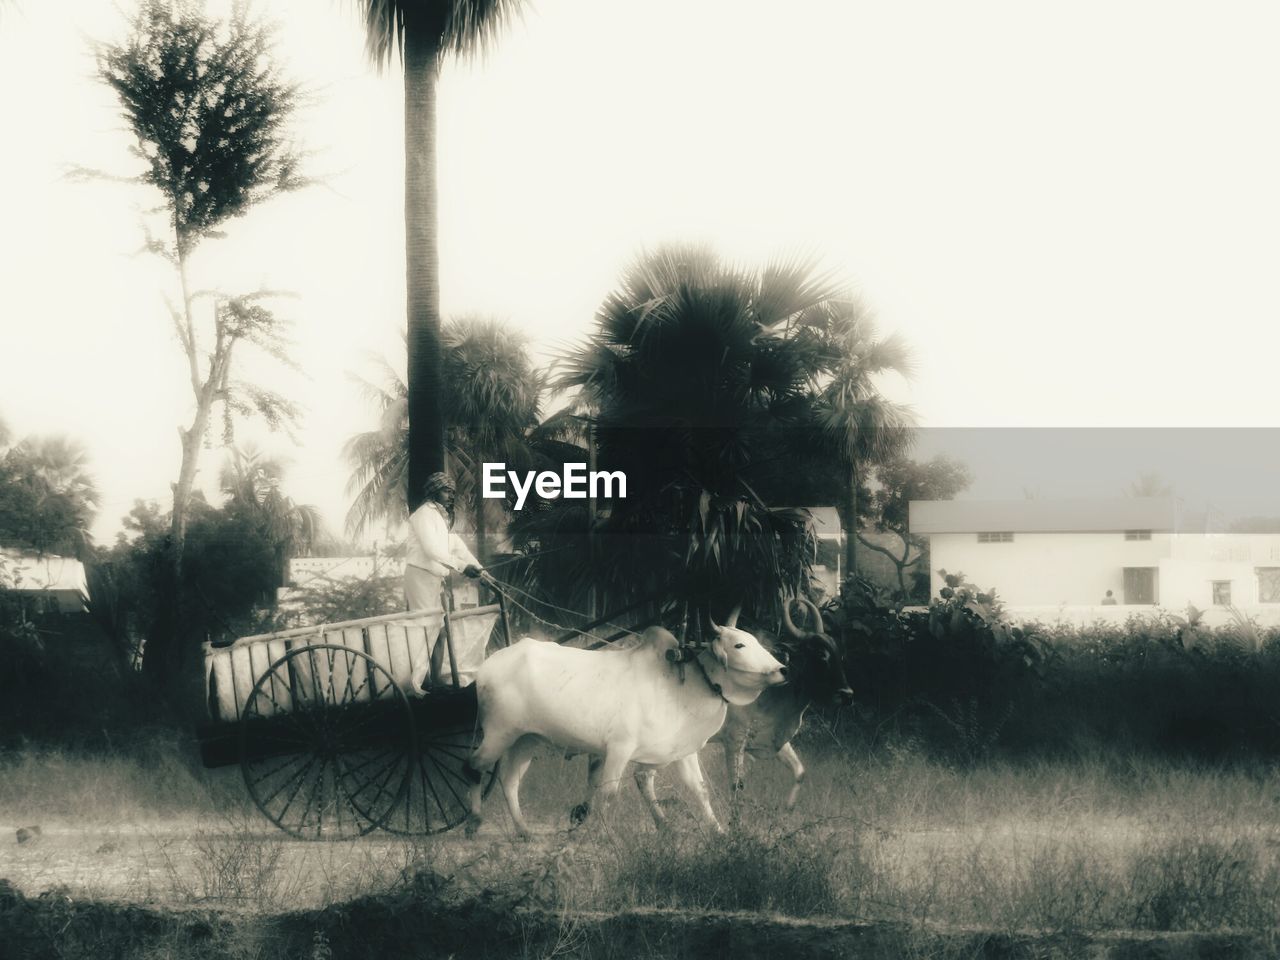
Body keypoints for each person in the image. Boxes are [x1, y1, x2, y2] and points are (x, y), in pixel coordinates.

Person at [404, 472, 486, 686]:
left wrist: (482, 572)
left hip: (434, 578)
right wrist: (462, 567)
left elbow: (458, 547)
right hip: (420, 576)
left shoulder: (442, 518)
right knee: (427, 630)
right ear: (434, 491)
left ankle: (435, 682)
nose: (451, 496)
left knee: (440, 632)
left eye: (452, 492)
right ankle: (424, 682)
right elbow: (432, 551)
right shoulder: (423, 515)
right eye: (446, 491)